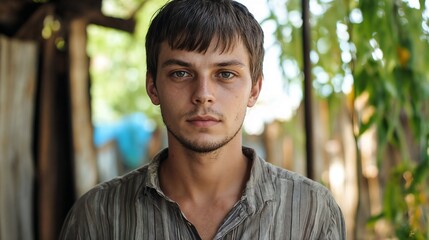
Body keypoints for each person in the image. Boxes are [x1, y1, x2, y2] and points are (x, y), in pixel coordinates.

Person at [60, 0, 346, 239]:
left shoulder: (312, 212)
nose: (203, 95)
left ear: (255, 89)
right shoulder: (98, 216)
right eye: (181, 73)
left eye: (225, 74)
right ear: (152, 87)